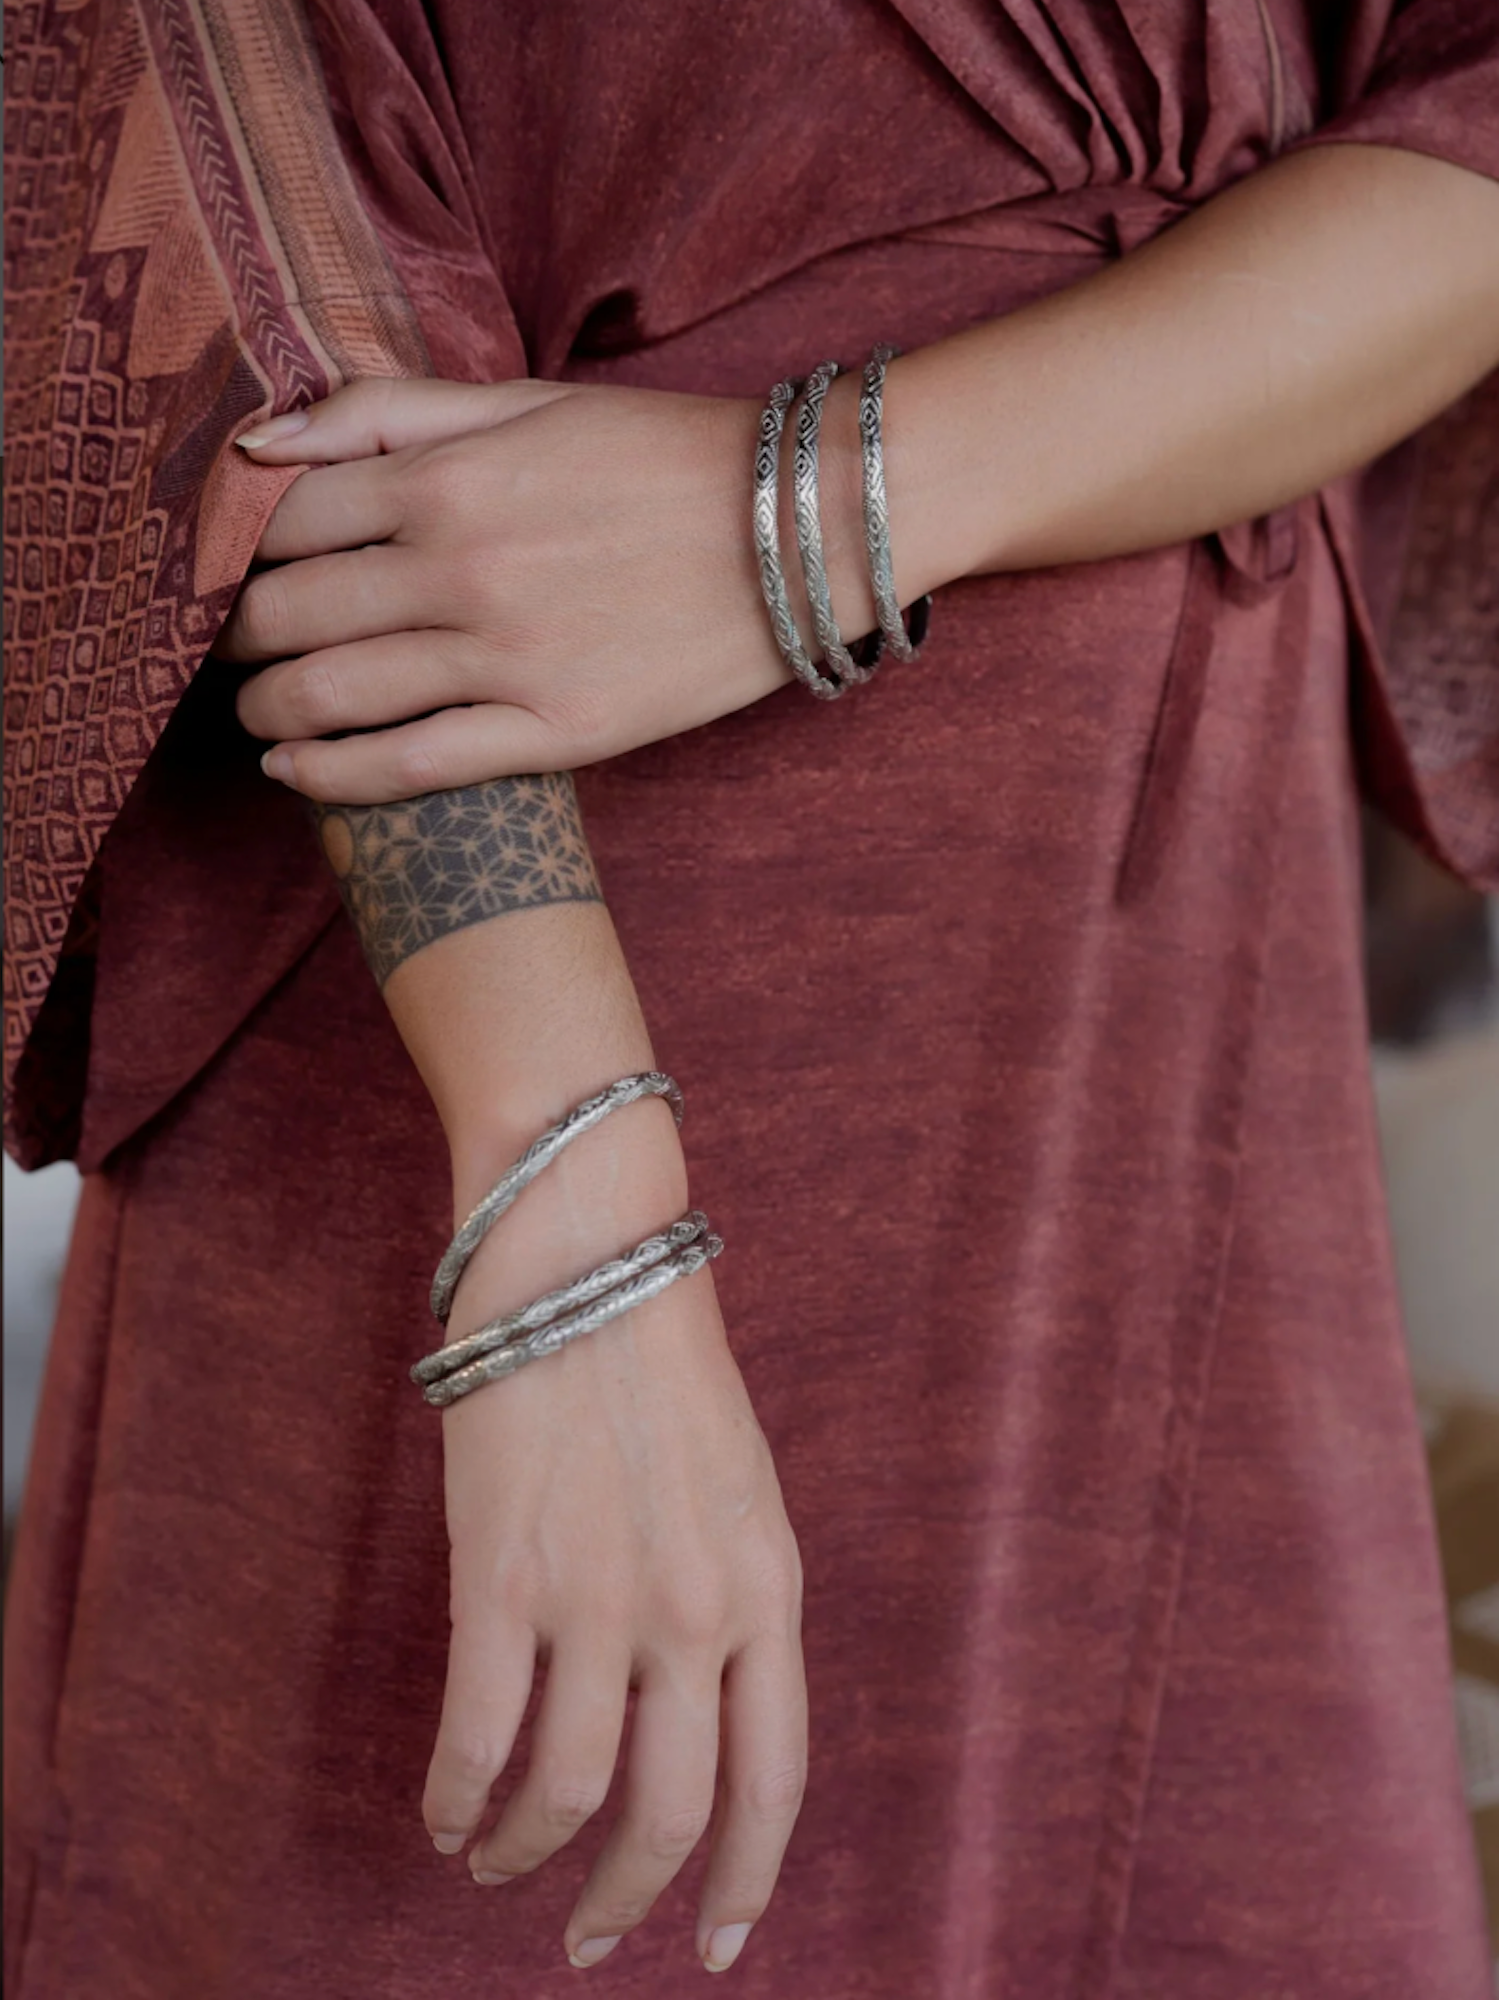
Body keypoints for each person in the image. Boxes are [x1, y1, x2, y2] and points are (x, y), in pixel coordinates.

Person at [4, 1, 1497, 1994]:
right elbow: (280, 363)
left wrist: (799, 511)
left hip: (1176, 1067)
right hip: (517, 1017)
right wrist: (574, 1230)